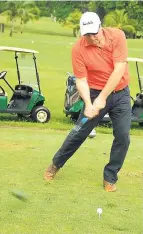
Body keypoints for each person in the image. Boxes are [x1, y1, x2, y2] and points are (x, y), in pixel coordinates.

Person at [44, 12, 131, 192]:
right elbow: (81, 80)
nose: (92, 38)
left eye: (95, 33)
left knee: (123, 136)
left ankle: (110, 176)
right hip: (93, 93)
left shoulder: (118, 36)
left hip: (120, 93)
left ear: (101, 26)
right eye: (87, 34)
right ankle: (55, 164)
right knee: (79, 132)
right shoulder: (78, 49)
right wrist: (89, 103)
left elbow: (119, 71)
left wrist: (102, 98)